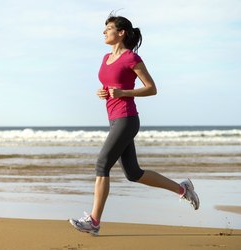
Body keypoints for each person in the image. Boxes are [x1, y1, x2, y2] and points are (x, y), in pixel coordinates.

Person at [69, 14, 199, 236]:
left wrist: (123, 93)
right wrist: (105, 92)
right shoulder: (105, 58)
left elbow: (151, 88)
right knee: (133, 173)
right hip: (114, 118)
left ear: (121, 33)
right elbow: (111, 86)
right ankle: (183, 189)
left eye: (108, 28)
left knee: (102, 165)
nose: (104, 32)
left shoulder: (131, 58)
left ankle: (94, 221)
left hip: (127, 118)